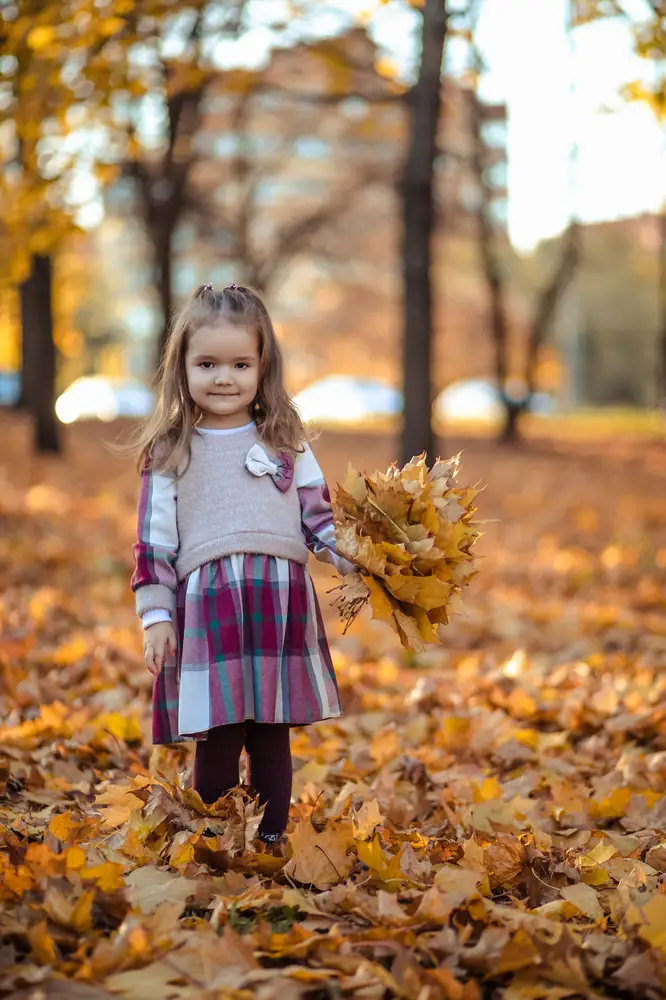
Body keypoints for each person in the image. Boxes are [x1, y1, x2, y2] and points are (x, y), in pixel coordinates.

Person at [130, 282, 355, 846]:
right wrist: (156, 615)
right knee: (220, 730)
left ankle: (273, 838)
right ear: (182, 366)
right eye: (206, 363)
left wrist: (352, 557)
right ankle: (216, 839)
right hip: (209, 607)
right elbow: (152, 544)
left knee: (271, 731)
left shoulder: (287, 440)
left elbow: (317, 518)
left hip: (278, 601)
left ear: (262, 367)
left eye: (239, 363)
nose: (223, 377)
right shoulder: (171, 450)